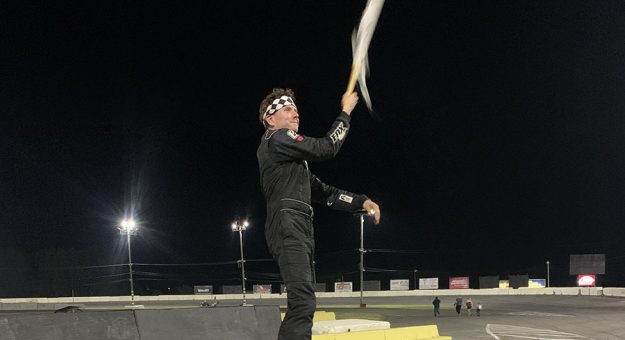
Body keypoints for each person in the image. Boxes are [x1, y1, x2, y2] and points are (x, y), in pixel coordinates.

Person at [257, 88, 381, 340]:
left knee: (304, 302)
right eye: (287, 109)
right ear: (271, 119)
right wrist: (345, 112)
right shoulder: (277, 138)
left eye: (295, 108)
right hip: (288, 225)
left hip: (298, 226)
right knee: (303, 303)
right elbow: (326, 147)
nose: (295, 112)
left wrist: (361, 201)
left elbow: (327, 194)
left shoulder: (292, 163)